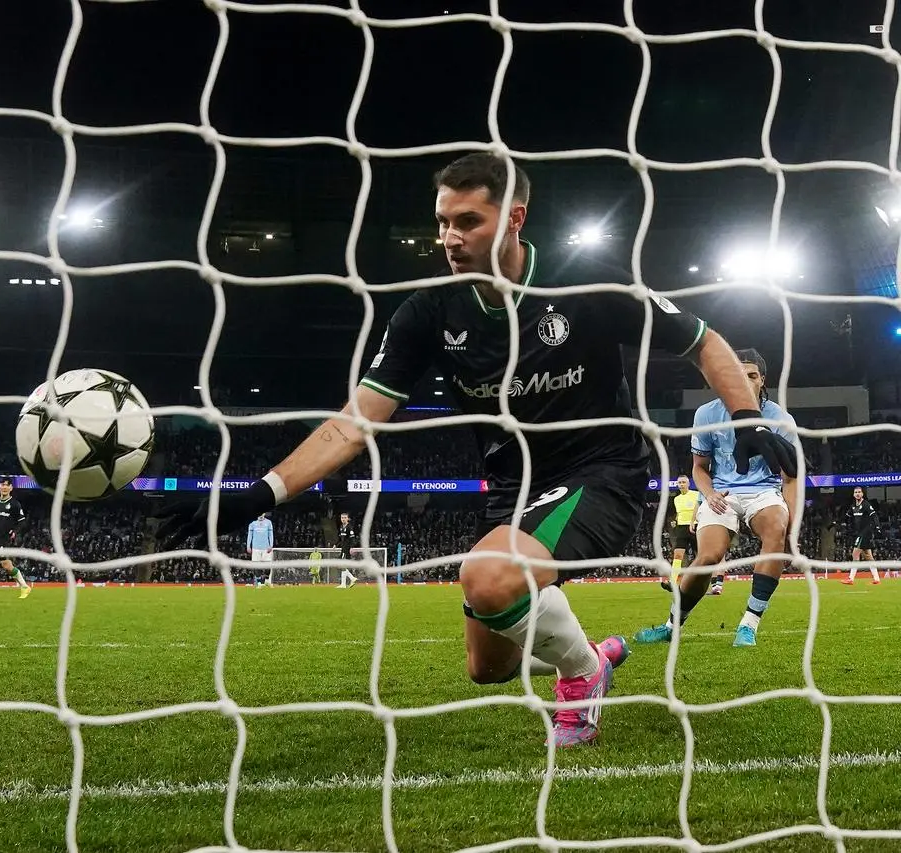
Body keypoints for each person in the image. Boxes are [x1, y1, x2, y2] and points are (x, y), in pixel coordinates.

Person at [154, 152, 798, 747]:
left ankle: (579, 679)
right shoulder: (427, 313)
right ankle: (593, 657)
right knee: (487, 667)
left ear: (514, 218)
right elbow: (354, 424)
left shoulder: (587, 286)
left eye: (467, 220)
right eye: (442, 223)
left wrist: (747, 419)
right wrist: (258, 493)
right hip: (513, 488)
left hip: (602, 473)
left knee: (488, 576)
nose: (449, 238)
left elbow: (706, 341)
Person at [635, 349, 799, 648]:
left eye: (751, 375)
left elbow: (791, 477)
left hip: (763, 491)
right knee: (708, 557)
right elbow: (699, 468)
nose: (745, 381)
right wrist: (707, 495)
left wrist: (793, 524)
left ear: (762, 380)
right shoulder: (707, 414)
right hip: (721, 492)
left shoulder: (780, 418)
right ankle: (672, 625)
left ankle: (748, 625)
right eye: (738, 374)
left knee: (777, 528)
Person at [661, 475, 700, 592]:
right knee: (677, 555)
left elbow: (699, 508)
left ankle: (700, 581)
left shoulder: (696, 495)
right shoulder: (676, 499)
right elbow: (680, 513)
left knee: (700, 556)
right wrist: (676, 521)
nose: (681, 484)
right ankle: (672, 581)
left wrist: (695, 521)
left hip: (695, 526)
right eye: (679, 483)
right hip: (681, 528)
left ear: (688, 484)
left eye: (683, 482)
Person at [842, 487, 881, 585]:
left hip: (865, 532)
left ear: (862, 494)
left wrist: (877, 527)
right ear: (853, 495)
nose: (858, 494)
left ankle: (851, 578)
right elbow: (846, 517)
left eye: (859, 492)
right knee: (868, 556)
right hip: (858, 533)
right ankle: (877, 579)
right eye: (856, 492)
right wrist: (838, 522)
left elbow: (874, 515)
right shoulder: (853, 506)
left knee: (855, 554)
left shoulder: (866, 504)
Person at [246, 512, 274, 584]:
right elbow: (250, 535)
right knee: (256, 566)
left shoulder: (268, 522)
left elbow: (270, 534)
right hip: (255, 548)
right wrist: (248, 546)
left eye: (262, 513)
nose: (261, 515)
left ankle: (266, 580)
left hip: (266, 548)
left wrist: (271, 545)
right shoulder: (252, 523)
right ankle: (259, 583)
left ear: (264, 514)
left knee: (268, 565)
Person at [336, 511, 358, 588]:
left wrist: (351, 547)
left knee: (341, 564)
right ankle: (344, 583)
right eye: (342, 518)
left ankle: (350, 579)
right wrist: (336, 544)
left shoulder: (349, 527)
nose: (343, 519)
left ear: (348, 519)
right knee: (342, 565)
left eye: (345, 518)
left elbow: (352, 538)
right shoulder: (341, 527)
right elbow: (340, 538)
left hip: (347, 549)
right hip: (343, 548)